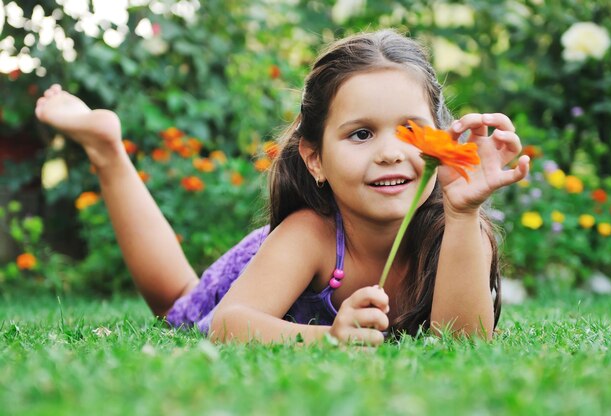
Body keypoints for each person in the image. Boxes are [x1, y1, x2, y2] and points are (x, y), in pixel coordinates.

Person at [35, 29, 529, 346]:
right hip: (254, 272)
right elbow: (228, 324)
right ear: (314, 158)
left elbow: (461, 345)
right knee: (176, 301)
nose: (390, 152)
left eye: (410, 130)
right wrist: (329, 338)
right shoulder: (311, 234)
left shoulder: (461, 231)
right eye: (361, 133)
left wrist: (464, 213)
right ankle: (107, 151)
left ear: (442, 143)